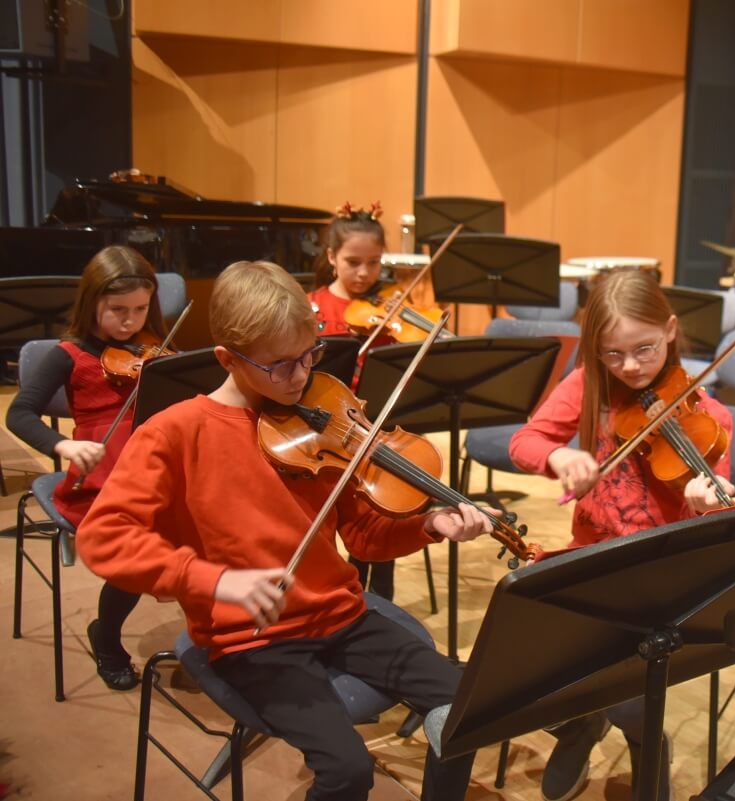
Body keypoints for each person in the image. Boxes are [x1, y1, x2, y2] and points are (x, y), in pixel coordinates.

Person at [77, 260, 487, 801]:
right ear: (227, 358)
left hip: (343, 616)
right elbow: (102, 536)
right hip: (251, 640)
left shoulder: (320, 419)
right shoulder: (176, 433)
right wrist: (213, 580)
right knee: (347, 772)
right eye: (279, 366)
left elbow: (362, 536)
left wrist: (429, 524)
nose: (300, 378)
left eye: (309, 356)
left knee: (470, 707)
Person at [509, 269, 735, 801]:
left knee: (619, 660)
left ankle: (626, 733)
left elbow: (722, 513)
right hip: (591, 553)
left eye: (644, 349)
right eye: (613, 353)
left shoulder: (711, 414)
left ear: (672, 329)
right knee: (531, 644)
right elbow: (525, 441)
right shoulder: (590, 384)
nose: (629, 366)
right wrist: (559, 454)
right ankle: (592, 724)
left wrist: (705, 504)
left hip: (661, 572)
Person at [5, 245, 167, 691]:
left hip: (157, 460)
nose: (131, 321)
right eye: (118, 310)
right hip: (101, 470)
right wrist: (62, 446)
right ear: (91, 301)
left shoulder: (152, 348)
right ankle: (107, 637)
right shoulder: (68, 353)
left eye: (140, 308)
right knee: (136, 546)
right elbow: (18, 414)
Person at [307, 201, 397, 600]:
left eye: (374, 263)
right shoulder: (311, 308)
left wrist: (398, 327)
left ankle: (382, 596)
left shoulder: (388, 310)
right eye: (353, 262)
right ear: (331, 257)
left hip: (375, 428)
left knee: (386, 503)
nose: (364, 273)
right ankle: (341, 593)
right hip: (324, 430)